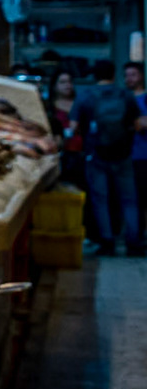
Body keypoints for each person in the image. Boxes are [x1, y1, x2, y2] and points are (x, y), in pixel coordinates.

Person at [76, 60, 141, 256]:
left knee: (100, 199)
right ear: (114, 74)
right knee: (129, 199)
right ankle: (133, 242)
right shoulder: (125, 95)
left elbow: (73, 126)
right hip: (123, 154)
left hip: (97, 154)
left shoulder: (86, 96)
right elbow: (137, 124)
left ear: (94, 75)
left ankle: (107, 241)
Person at [47, 68, 83, 190]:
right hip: (60, 153)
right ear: (55, 85)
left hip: (81, 153)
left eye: (69, 82)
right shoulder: (49, 106)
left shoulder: (80, 103)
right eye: (62, 82)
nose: (67, 85)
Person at [129, 62, 147, 219]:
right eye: (126, 75)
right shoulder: (121, 97)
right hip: (126, 156)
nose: (129, 79)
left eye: (133, 75)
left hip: (143, 154)